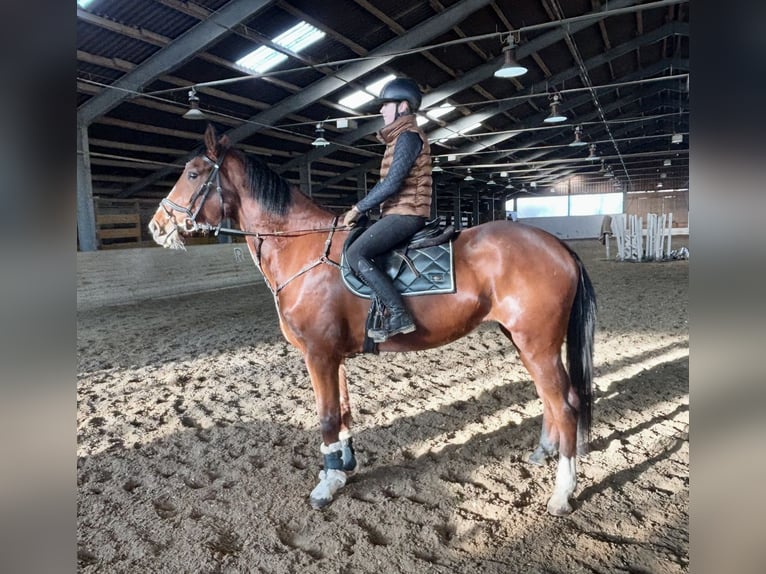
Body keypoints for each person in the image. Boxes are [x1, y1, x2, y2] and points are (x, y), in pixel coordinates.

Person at [342, 77, 433, 343]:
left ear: (403, 106)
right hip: (398, 211)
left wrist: (358, 208)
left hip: (407, 213)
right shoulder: (398, 139)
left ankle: (398, 313)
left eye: (386, 105)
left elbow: (392, 183)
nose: (381, 110)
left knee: (356, 252)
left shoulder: (407, 137)